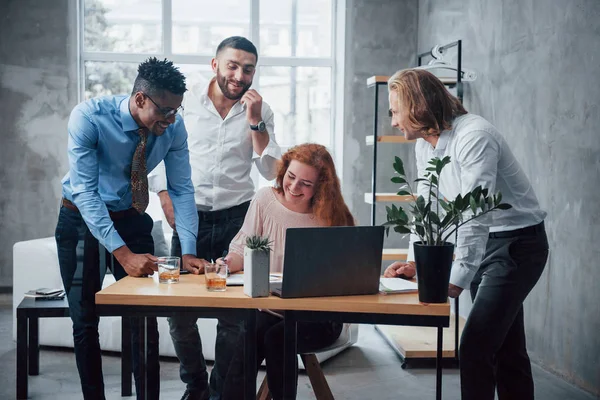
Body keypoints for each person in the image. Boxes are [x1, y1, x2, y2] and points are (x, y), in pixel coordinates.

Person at [386, 69, 549, 400]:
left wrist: (456, 278)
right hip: (483, 245)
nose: (392, 121)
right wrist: (417, 263)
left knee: (474, 345)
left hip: (517, 246)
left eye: (394, 111)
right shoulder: (425, 144)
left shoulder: (475, 135)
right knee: (506, 347)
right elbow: (427, 208)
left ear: (418, 106)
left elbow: (476, 213)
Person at [55, 57, 205, 400]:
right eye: (165, 111)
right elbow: (86, 193)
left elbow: (181, 188)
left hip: (133, 217)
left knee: (143, 318)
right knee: (85, 321)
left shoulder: (173, 127)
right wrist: (122, 254)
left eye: (176, 111)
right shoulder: (89, 117)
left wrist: (189, 249)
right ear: (140, 99)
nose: (171, 120)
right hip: (80, 220)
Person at [148, 36, 281, 400]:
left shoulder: (261, 110)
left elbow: (271, 172)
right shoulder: (186, 103)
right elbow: (159, 151)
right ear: (215, 65)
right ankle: (195, 387)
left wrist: (256, 123)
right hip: (188, 218)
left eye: (248, 69)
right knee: (179, 313)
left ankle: (221, 391)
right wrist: (163, 195)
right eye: (233, 66)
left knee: (235, 316)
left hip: (238, 219)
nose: (240, 75)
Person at [216, 143, 354, 400]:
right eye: (291, 177)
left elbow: (347, 273)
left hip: (318, 318)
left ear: (321, 187)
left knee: (279, 336)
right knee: (251, 332)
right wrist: (226, 263)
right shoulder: (264, 199)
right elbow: (241, 247)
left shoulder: (332, 216)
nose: (293, 187)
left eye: (305, 183)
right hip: (271, 309)